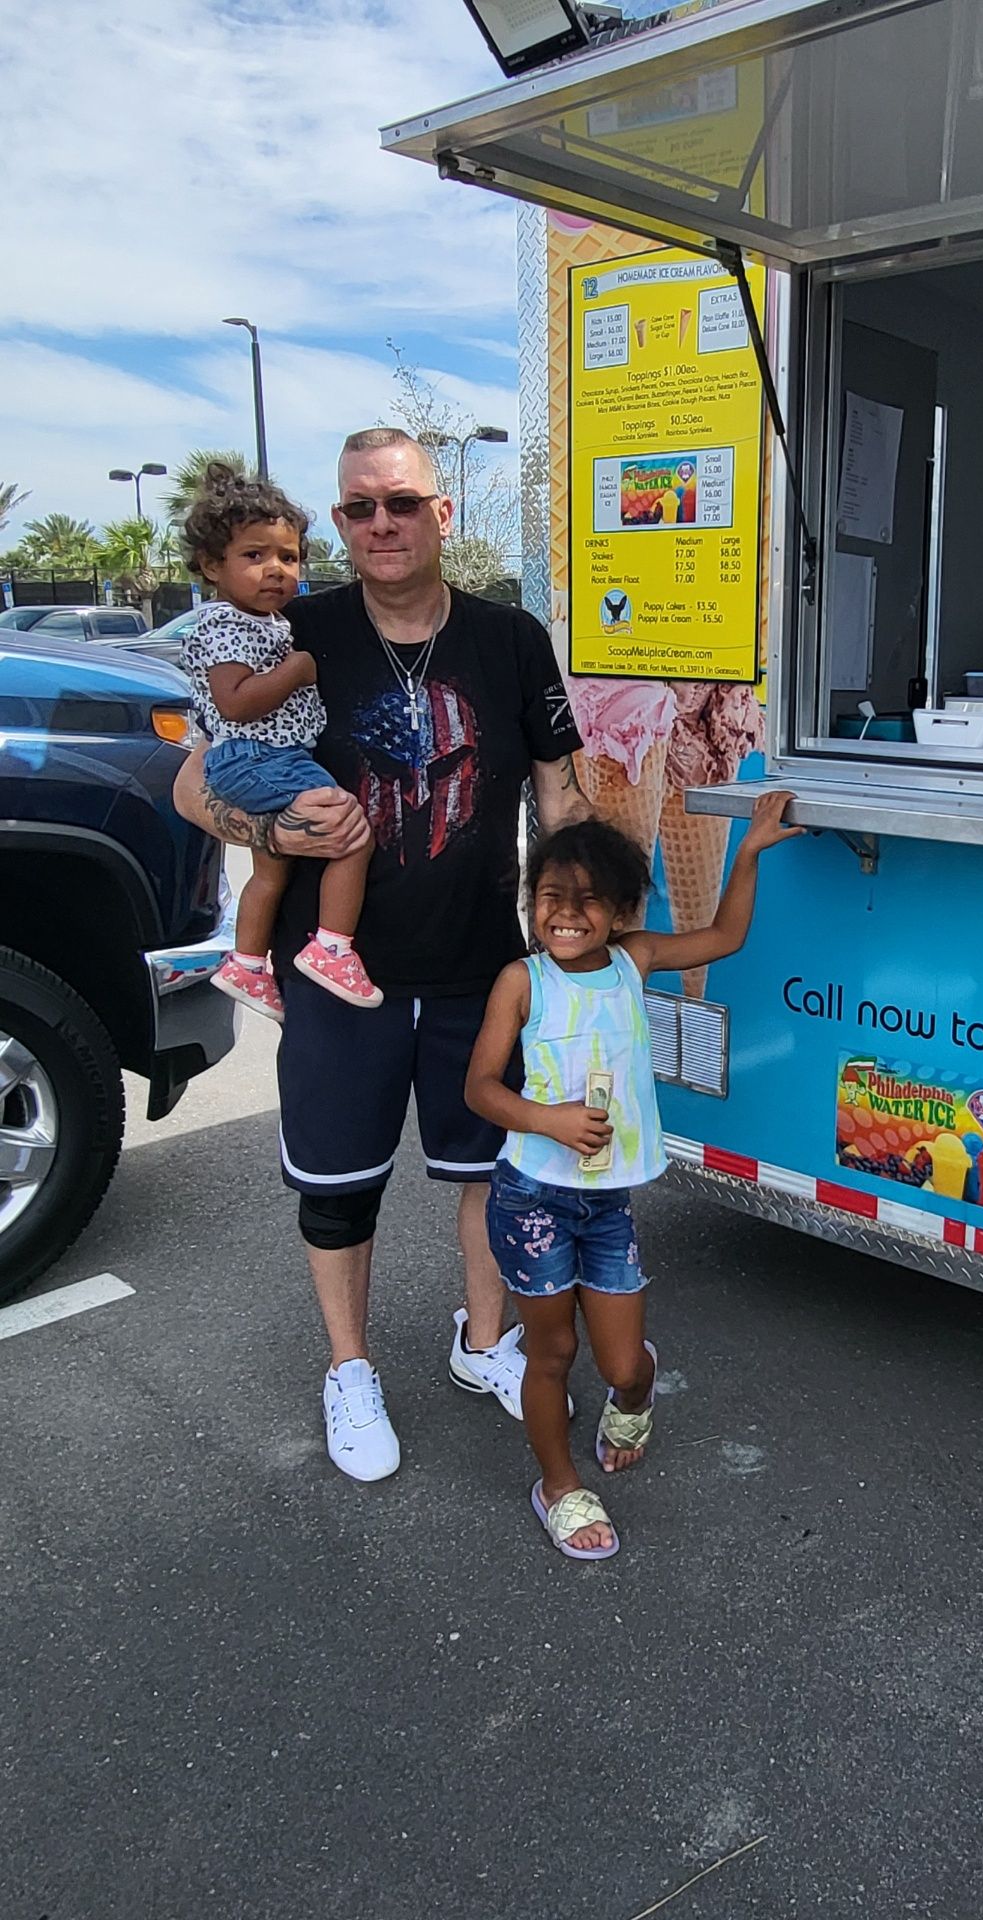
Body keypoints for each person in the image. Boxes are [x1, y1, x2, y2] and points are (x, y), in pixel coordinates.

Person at [175, 428, 588, 1482]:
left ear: (442, 515)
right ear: (341, 524)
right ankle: (349, 1370)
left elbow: (559, 787)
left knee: (488, 1168)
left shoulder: (508, 637)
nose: (381, 524)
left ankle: (481, 1342)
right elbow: (195, 785)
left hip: (477, 961)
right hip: (337, 966)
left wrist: (584, 920)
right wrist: (275, 836)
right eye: (358, 509)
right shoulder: (289, 627)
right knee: (338, 1184)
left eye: (400, 503)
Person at [465, 790, 801, 1559]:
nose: (567, 915)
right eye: (551, 898)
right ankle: (559, 1484)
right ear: (532, 903)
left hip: (606, 1204)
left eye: (588, 902)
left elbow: (724, 936)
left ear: (620, 912)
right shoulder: (523, 982)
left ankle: (634, 1399)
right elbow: (479, 1088)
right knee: (550, 1354)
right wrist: (547, 1118)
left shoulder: (633, 961)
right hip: (531, 1199)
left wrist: (746, 852)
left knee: (624, 1366)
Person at [180, 464, 380, 1021]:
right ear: (211, 565)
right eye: (254, 556)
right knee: (350, 832)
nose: (275, 571)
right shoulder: (225, 626)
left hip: (261, 756)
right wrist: (299, 670)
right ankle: (332, 947)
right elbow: (235, 702)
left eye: (288, 558)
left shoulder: (269, 621)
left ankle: (247, 962)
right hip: (258, 757)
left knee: (270, 871)